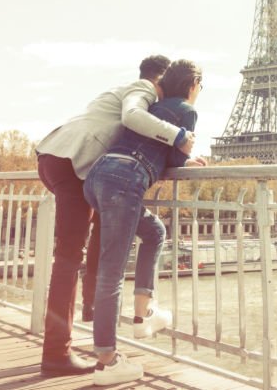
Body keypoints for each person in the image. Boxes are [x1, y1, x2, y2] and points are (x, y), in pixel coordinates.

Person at [35, 55, 195, 377]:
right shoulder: (143, 88)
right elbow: (134, 116)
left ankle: (91, 313)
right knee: (69, 258)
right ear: (160, 80)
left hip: (67, 161)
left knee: (87, 243)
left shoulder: (118, 92)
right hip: (72, 162)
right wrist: (179, 137)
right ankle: (57, 352)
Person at [83, 59, 205, 385]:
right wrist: (188, 160)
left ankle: (143, 314)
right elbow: (175, 155)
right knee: (111, 273)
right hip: (125, 180)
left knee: (154, 231)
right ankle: (106, 361)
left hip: (98, 177)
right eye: (200, 87)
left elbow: (156, 145)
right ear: (193, 85)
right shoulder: (186, 110)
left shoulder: (154, 105)